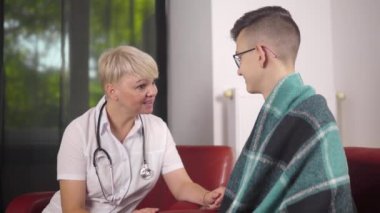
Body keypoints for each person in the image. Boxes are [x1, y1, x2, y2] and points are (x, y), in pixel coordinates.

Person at [43, 45, 224, 213]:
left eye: (153, 82)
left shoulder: (158, 129)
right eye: (141, 86)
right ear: (112, 91)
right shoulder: (78, 132)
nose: (152, 91)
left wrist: (206, 197)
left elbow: (182, 185)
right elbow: (73, 210)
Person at [220, 6, 356, 212]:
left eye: (240, 57)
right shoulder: (283, 112)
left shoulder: (312, 115)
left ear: (260, 54)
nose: (239, 70)